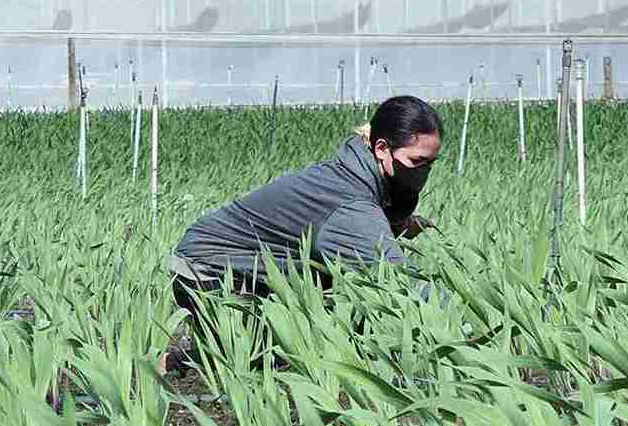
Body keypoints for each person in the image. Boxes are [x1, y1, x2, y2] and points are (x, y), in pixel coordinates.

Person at [160, 94, 443, 373]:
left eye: (431, 163)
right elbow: (396, 282)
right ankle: (172, 366)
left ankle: (190, 360)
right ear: (381, 148)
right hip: (208, 272)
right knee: (276, 360)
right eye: (417, 161)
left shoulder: (354, 172)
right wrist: (457, 315)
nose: (424, 171)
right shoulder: (350, 203)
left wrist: (396, 224)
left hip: (235, 266)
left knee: (324, 328)